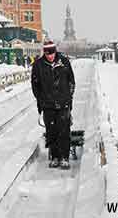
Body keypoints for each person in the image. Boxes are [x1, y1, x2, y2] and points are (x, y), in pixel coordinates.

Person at [31, 40, 75, 169]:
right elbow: (35, 85)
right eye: (47, 53)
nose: (50, 56)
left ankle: (65, 157)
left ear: (55, 51)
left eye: (52, 53)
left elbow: (71, 81)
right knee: (51, 131)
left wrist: (68, 97)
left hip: (63, 103)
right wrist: (41, 100)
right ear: (44, 52)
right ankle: (55, 156)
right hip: (48, 104)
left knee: (64, 130)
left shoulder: (64, 62)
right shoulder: (38, 65)